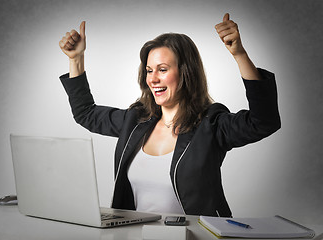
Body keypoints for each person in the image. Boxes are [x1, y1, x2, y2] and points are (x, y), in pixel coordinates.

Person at [58, 13, 281, 217]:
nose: (153, 79)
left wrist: (239, 54)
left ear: (186, 73)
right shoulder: (135, 121)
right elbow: (86, 113)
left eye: (163, 70)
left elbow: (263, 122)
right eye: (149, 70)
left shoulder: (211, 124)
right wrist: (76, 59)